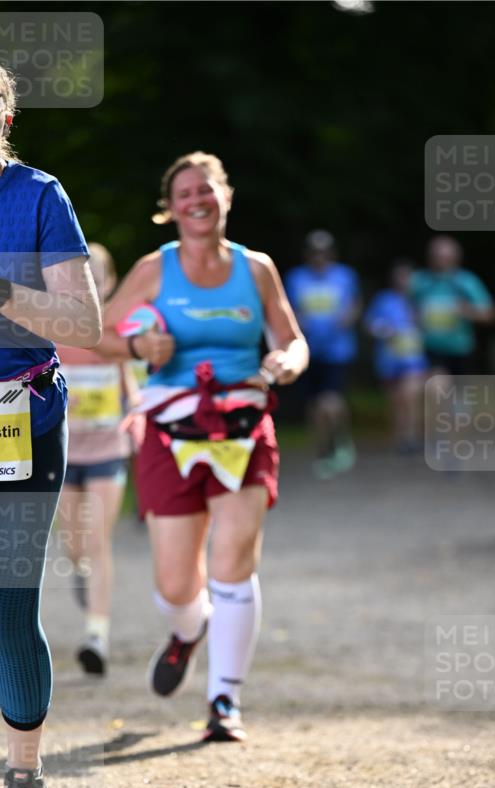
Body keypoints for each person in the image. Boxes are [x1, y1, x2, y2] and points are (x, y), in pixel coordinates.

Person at [95, 151, 308, 741]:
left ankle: (224, 702)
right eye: (185, 193)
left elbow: (292, 339)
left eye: (206, 190)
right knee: (175, 584)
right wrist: (141, 351)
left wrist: (284, 362)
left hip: (243, 427)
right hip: (171, 432)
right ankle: (189, 630)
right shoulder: (153, 270)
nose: (197, 200)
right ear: (171, 209)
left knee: (233, 563)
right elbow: (103, 334)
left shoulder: (257, 268)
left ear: (226, 197)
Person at [0, 48, 101, 788]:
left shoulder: (40, 196)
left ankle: (22, 783)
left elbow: (86, 325)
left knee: (8, 603)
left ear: (4, 115)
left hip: (25, 421)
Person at [57, 243, 137, 674]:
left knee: (98, 540)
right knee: (75, 548)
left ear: (110, 284)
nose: (92, 286)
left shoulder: (118, 330)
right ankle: (82, 576)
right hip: (66, 454)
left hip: (108, 450)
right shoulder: (58, 329)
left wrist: (138, 416)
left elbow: (132, 385)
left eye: (99, 278)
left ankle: (96, 635)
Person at [284, 231, 361, 478]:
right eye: (315, 253)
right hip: (308, 350)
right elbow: (288, 308)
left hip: (337, 351)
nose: (320, 257)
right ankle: (324, 448)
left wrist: (346, 319)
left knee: (330, 400)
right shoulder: (296, 278)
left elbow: (354, 304)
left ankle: (340, 439)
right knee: (315, 405)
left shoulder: (345, 276)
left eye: (324, 252)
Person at [364, 259, 428, 453]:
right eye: (400, 276)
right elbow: (370, 324)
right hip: (389, 359)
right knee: (397, 401)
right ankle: (401, 439)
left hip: (414, 359)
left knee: (411, 396)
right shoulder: (384, 299)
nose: (404, 280)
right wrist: (385, 330)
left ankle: (412, 437)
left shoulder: (421, 300)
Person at [409, 236, 495, 375]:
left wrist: (466, 311)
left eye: (445, 257)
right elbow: (403, 308)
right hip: (426, 348)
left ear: (456, 258)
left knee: (455, 394)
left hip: (460, 350)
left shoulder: (467, 282)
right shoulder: (418, 280)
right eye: (436, 256)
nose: (440, 261)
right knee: (437, 386)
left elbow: (489, 315)